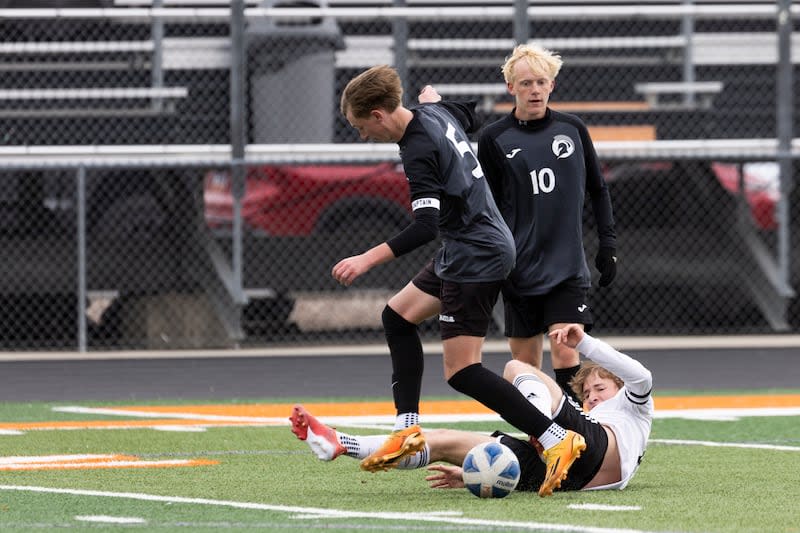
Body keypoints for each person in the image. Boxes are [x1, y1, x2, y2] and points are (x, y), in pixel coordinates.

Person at [332, 65, 585, 496]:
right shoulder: (430, 114)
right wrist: (437, 103)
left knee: (462, 371)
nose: (362, 136)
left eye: (360, 127)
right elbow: (465, 114)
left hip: (476, 253)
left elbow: (425, 225)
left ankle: (559, 438)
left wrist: (365, 259)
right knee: (397, 316)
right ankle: (407, 429)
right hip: (467, 245)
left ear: (378, 115)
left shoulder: (416, 147)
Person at [290, 324, 653, 495]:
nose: (591, 397)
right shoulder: (586, 413)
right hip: (563, 479)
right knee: (444, 441)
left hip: (588, 451)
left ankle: (546, 432)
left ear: (618, 388)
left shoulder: (632, 407)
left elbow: (641, 374)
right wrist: (481, 474)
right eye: (587, 393)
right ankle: (342, 444)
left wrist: (585, 342)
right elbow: (579, 407)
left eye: (599, 388)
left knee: (517, 369)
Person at [476, 44, 618, 400]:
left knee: (566, 349)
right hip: (518, 268)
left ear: (552, 85)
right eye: (525, 83)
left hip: (566, 267)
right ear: (511, 88)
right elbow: (487, 206)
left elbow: (598, 190)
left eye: (541, 82)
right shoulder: (494, 138)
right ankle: (541, 437)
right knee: (524, 366)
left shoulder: (572, 129)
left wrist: (608, 245)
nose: (534, 90)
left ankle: (577, 435)